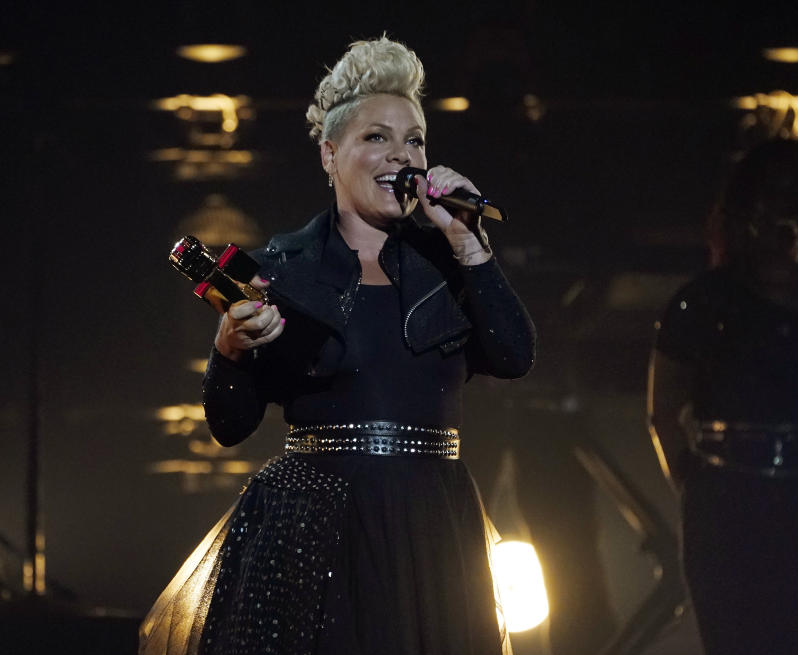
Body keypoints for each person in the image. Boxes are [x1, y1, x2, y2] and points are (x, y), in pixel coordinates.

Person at [140, 35, 534, 655]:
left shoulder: (450, 264)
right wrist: (232, 345)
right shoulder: (281, 270)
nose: (400, 156)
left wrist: (468, 245)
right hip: (315, 530)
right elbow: (229, 424)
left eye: (414, 141)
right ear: (329, 154)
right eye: (376, 137)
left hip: (431, 523)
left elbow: (514, 356)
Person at [647, 138, 798, 654]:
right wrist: (702, 490)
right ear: (744, 207)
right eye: (770, 193)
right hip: (728, 508)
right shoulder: (700, 304)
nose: (784, 205)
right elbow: (663, 412)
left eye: (796, 192)